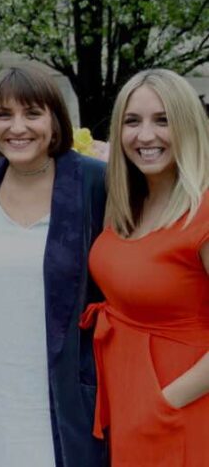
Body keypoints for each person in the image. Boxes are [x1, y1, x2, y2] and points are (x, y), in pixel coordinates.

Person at [0, 66, 108, 467]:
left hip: (64, 399)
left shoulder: (93, 181)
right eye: (4, 115)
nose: (17, 127)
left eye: (32, 113)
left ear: (55, 120)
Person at [81, 69, 209, 466]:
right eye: (132, 122)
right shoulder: (127, 204)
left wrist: (165, 401)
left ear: (188, 126)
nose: (145, 136)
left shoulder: (203, 211)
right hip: (127, 402)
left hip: (182, 408)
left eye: (163, 120)